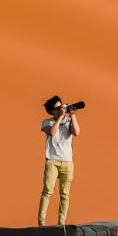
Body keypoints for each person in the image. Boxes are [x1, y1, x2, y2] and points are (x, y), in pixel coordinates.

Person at [37, 95, 80, 226]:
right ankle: (41, 222)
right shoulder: (47, 122)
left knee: (65, 194)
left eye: (62, 106)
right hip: (52, 161)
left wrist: (72, 116)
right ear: (52, 111)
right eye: (58, 108)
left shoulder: (68, 121)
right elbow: (52, 132)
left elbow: (76, 132)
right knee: (48, 190)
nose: (61, 109)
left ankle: (61, 223)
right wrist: (61, 117)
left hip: (67, 162)